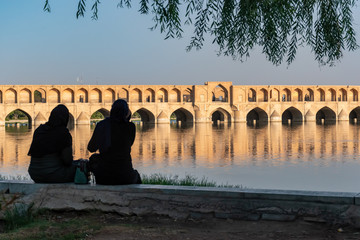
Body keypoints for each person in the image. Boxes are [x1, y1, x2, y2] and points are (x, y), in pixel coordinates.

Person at [87, 99, 142, 185]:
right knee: (136, 175)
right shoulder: (131, 127)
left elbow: (91, 148)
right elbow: (128, 145)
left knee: (93, 159)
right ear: (126, 112)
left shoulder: (102, 125)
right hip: (125, 176)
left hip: (104, 177)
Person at [28, 104, 77, 183]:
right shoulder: (63, 133)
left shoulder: (39, 130)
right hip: (53, 174)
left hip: (34, 174)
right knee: (82, 166)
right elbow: (67, 161)